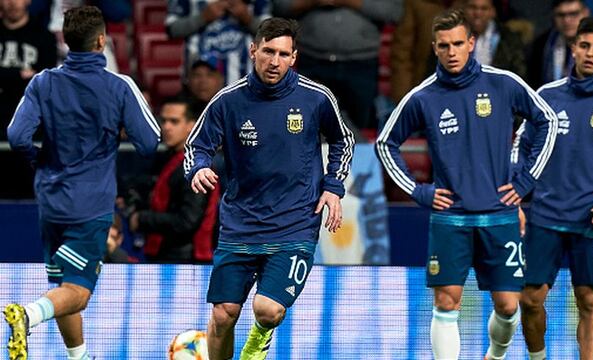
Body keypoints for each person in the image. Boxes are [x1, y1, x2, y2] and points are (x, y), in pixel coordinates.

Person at [376, 9, 558, 360]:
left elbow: (546, 120)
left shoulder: (503, 83)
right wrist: (419, 191)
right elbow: (386, 143)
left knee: (508, 306)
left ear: (472, 43)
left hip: (500, 215)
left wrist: (525, 181)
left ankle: (495, 354)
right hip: (450, 219)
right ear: (435, 48)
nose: (452, 51)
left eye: (459, 43)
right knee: (446, 302)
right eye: (444, 46)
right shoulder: (423, 96)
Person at [184, 17, 354, 360]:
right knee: (223, 314)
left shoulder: (316, 97)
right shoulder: (228, 101)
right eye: (268, 51)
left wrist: (333, 187)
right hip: (240, 225)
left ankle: (256, 346)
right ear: (253, 51)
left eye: (283, 54)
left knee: (267, 309)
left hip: (295, 224)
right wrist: (199, 169)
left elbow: (343, 139)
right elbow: (196, 146)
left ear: (294, 57)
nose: (274, 61)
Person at [4, 6, 160, 360]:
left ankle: (79, 356)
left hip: (50, 200)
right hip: (90, 204)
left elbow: (16, 135)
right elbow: (150, 141)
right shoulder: (119, 86)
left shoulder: (43, 81)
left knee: (64, 285)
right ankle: (27, 316)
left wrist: (37, 159)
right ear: (102, 40)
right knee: (80, 291)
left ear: (66, 40)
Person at [517, 17, 593, 360]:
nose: (590, 53)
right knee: (529, 299)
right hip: (545, 215)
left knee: (589, 300)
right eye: (584, 46)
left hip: (592, 220)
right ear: (573, 49)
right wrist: (515, 195)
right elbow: (520, 147)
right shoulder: (545, 97)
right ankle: (538, 357)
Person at [272, 0, 403, 129]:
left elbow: (393, 11)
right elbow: (279, 7)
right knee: (308, 127)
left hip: (361, 67)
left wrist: (350, 2)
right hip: (313, 61)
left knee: (360, 133)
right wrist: (311, 2)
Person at [127, 97, 217, 264]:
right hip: (169, 254)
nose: (166, 127)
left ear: (192, 126)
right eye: (164, 121)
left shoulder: (197, 166)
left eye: (174, 122)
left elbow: (187, 220)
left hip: (185, 260)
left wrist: (142, 218)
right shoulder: (167, 160)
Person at [166, 0, 271, 85]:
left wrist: (247, 18)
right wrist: (202, 18)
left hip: (244, 79)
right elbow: (172, 30)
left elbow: (271, 34)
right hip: (199, 84)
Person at [0, 0, 57, 137]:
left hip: (30, 116)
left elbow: (45, 82)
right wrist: (20, 75)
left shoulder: (44, 36)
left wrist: (5, 76)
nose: (13, 3)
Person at [464, 0, 527, 79]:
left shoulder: (509, 39)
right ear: (464, 9)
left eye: (484, 8)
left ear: (493, 12)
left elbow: (519, 74)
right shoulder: (453, 35)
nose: (478, 13)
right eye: (473, 7)